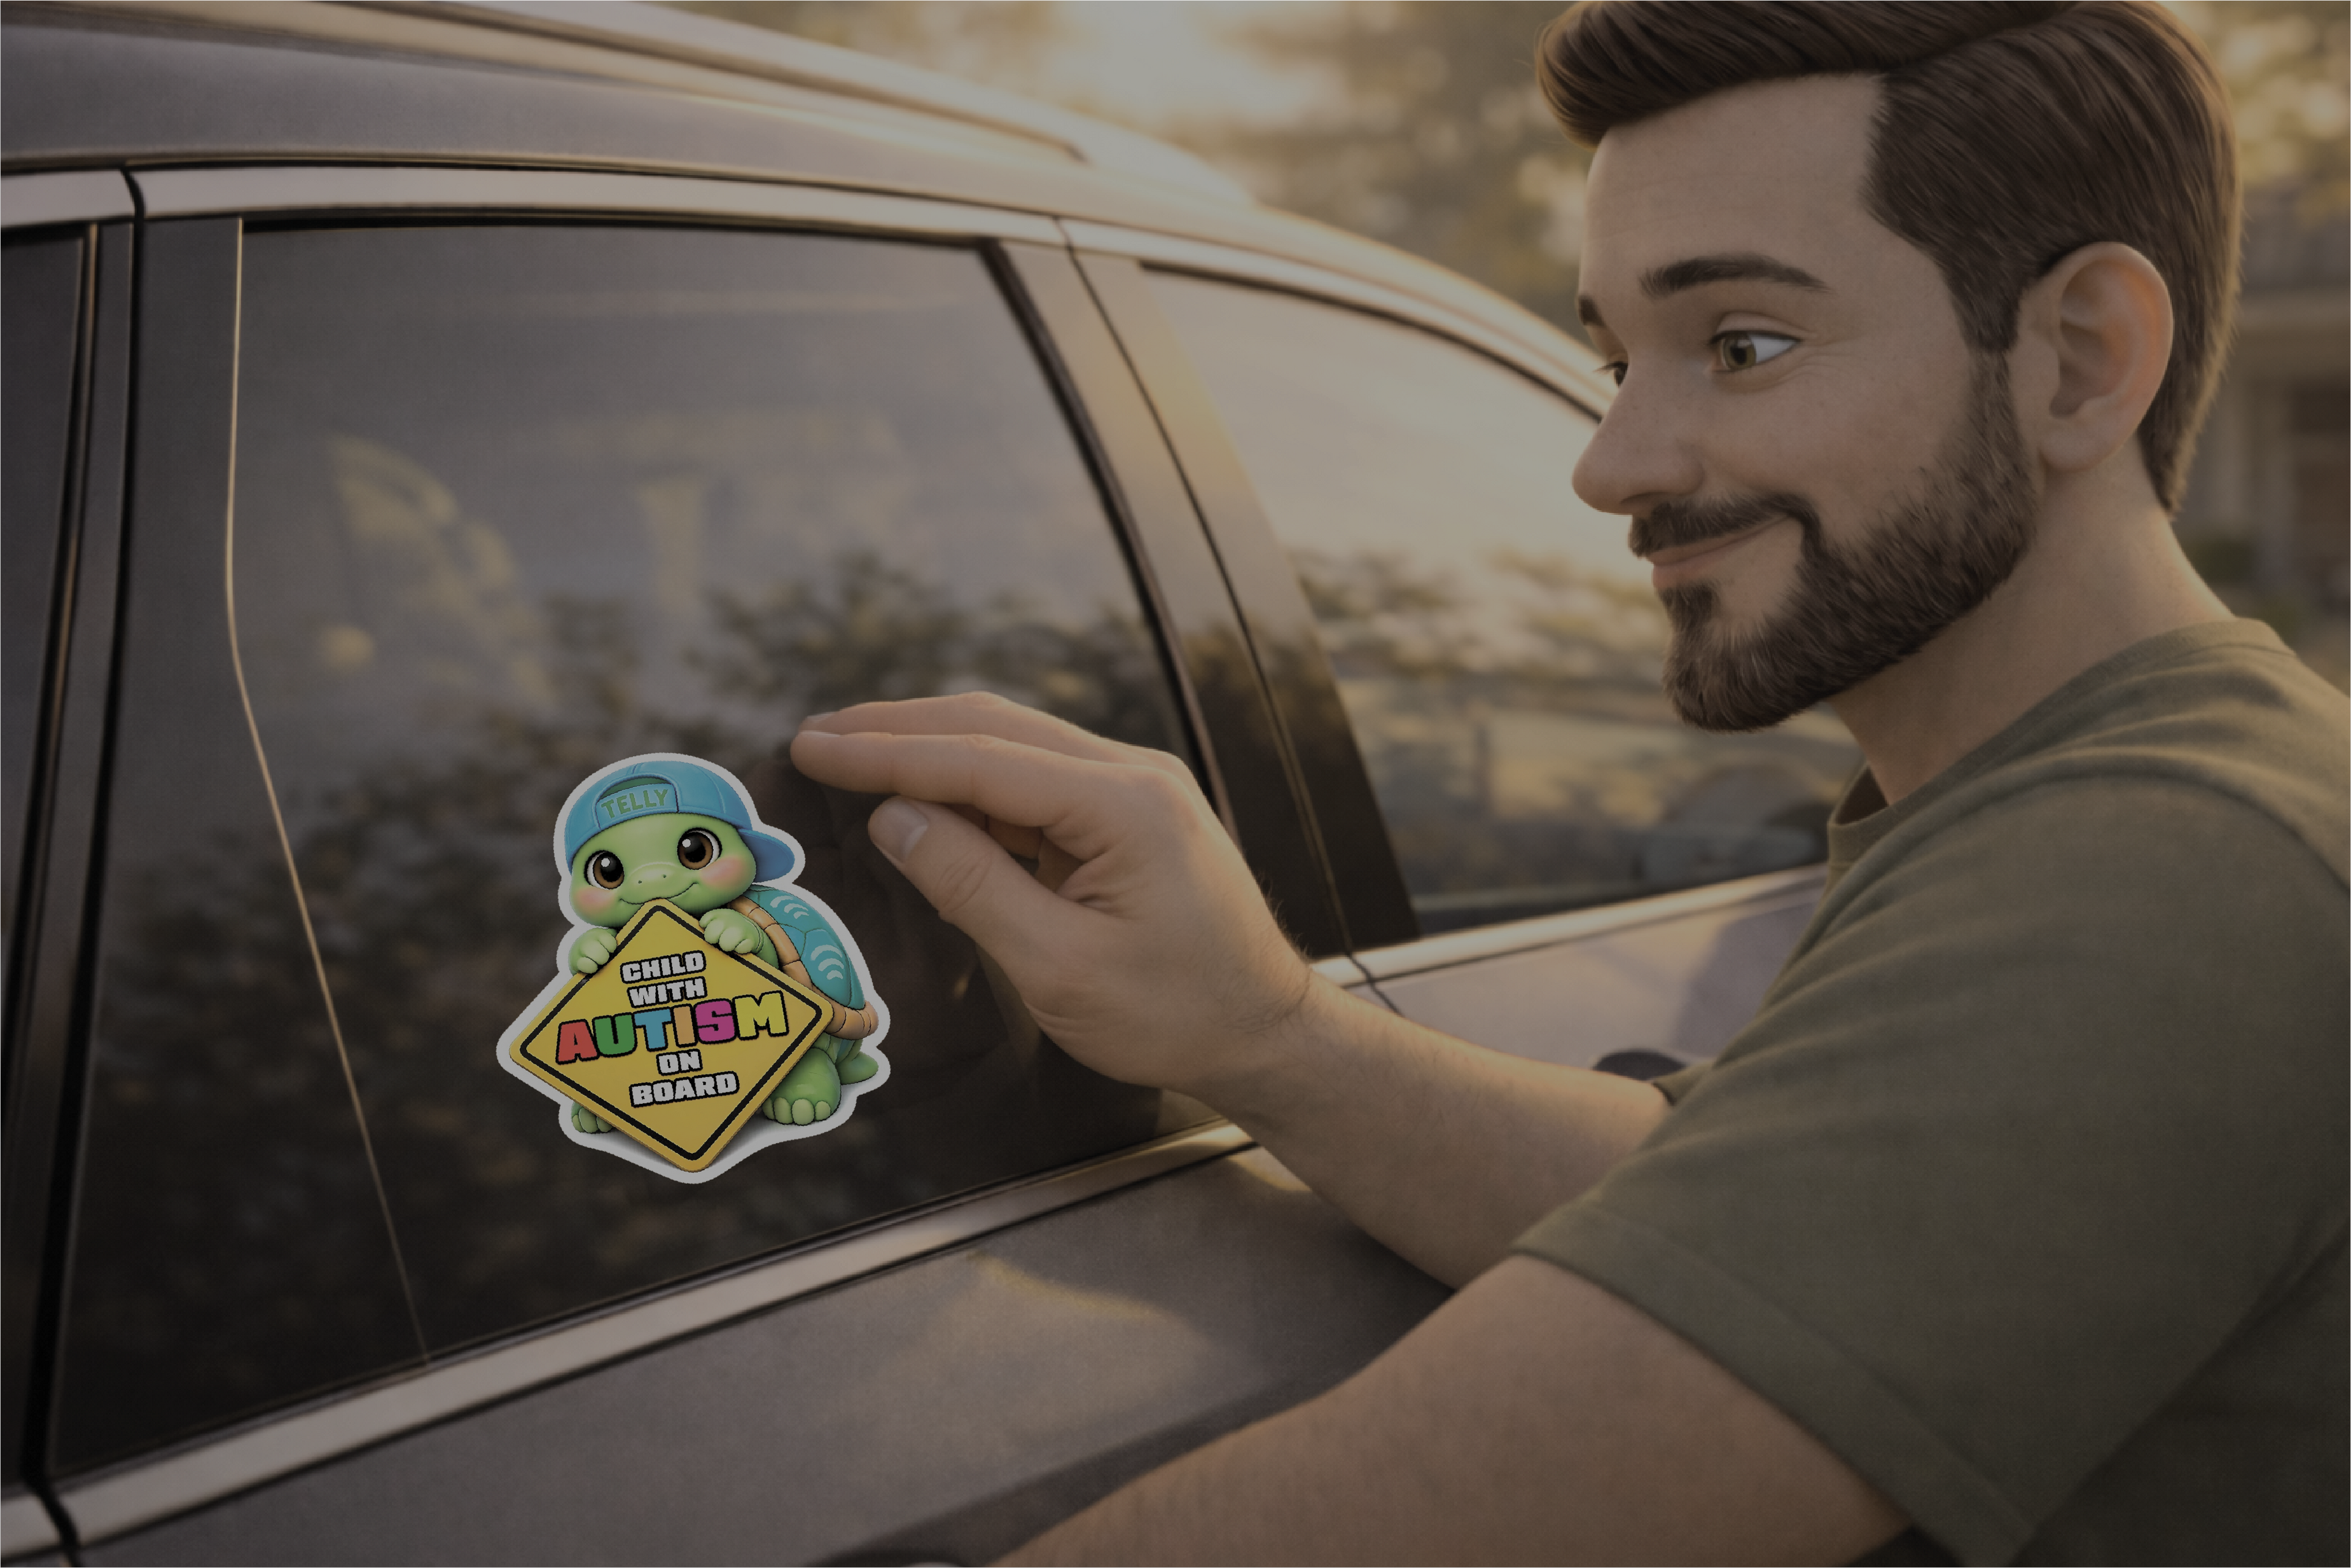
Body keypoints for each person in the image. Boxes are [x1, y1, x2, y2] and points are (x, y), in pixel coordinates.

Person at [790, 2, 2351, 1561]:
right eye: (1616, 359)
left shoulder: (2173, 869)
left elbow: (1428, 1522)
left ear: (2080, 360)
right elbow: (1720, 1204)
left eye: (1742, 345)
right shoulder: (2161, 795)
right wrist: (1263, 1033)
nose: (1611, 464)